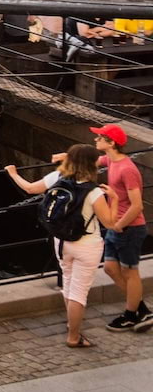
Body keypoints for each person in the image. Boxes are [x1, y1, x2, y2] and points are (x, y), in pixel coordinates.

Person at [9, 144, 119, 348]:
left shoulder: (57, 178)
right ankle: (73, 336)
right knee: (79, 293)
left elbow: (30, 188)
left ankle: (72, 326)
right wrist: (114, 199)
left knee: (68, 284)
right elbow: (110, 223)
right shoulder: (94, 192)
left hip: (61, 241)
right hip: (87, 245)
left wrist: (13, 173)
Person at [92, 123, 148, 332]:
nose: (95, 140)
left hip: (129, 227)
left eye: (99, 137)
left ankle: (131, 314)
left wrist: (118, 226)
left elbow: (137, 205)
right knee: (110, 268)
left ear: (111, 142)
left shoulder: (127, 169)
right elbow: (91, 161)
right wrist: (67, 158)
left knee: (129, 271)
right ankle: (141, 309)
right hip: (116, 226)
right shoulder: (110, 160)